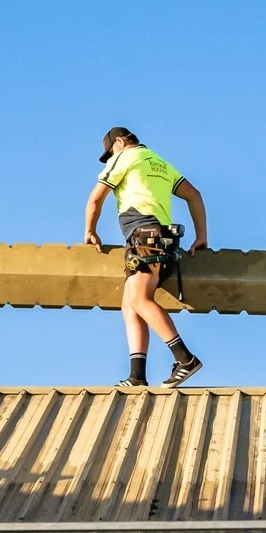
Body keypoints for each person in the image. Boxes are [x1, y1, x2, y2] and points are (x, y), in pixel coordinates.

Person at [84, 127, 208, 387]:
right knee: (130, 304)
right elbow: (194, 195)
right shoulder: (159, 162)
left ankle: (185, 359)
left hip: (144, 235)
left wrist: (90, 231)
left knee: (139, 299)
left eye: (110, 153)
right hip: (162, 239)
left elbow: (96, 198)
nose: (110, 158)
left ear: (120, 142)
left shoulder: (124, 158)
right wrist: (201, 236)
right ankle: (137, 376)